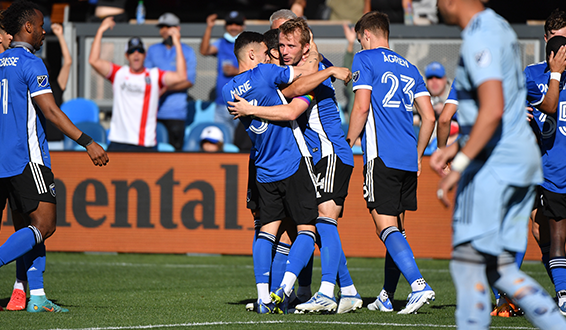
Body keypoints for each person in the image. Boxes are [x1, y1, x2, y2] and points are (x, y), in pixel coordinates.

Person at [431, 0, 566, 328]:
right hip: (537, 165)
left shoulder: (486, 33)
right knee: (531, 235)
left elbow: (493, 111)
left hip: (514, 164)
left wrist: (462, 159)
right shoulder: (507, 43)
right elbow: (504, 111)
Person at [230, 19, 362, 314]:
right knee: (287, 228)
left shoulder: (308, 77)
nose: (282, 51)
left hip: (322, 153)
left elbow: (290, 104)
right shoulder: (282, 74)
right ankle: (300, 293)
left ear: (305, 45)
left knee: (318, 222)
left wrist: (323, 66)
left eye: (289, 44)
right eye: (279, 46)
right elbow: (284, 90)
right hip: (279, 160)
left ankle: (322, 289)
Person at [0, 0, 108, 313]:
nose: (44, 30)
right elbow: (50, 110)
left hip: (3, 160)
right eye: (41, 24)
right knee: (44, 226)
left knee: (27, 231)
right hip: (27, 158)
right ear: (28, 27)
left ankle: (36, 297)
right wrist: (87, 141)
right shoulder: (31, 63)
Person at [345, 11, 436, 314]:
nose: (359, 45)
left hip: (380, 156)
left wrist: (348, 142)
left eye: (360, 40)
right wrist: (420, 154)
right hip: (408, 158)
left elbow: (360, 107)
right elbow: (430, 117)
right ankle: (386, 295)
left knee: (384, 226)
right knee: (396, 228)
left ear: (367, 35)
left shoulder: (365, 59)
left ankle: (418, 284)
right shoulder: (410, 67)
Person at [89, 17, 187, 152]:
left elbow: (181, 76)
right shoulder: (119, 73)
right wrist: (100, 31)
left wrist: (177, 43)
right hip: (119, 141)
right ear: (126, 55)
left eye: (140, 51)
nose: (136, 54)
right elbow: (93, 61)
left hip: (145, 143)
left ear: (145, 55)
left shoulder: (154, 75)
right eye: (132, 51)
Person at [523, 8, 566, 315]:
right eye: (554, 42)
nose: (560, 50)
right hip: (546, 168)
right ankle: (562, 290)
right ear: (545, 40)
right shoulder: (532, 75)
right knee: (543, 231)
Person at [145, 12, 197, 151]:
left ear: (177, 28)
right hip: (152, 110)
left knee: (175, 151)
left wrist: (166, 88)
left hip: (175, 112)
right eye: (162, 27)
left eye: (168, 26)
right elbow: (147, 76)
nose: (164, 30)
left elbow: (189, 81)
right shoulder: (153, 49)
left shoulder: (187, 51)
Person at [199, 11, 245, 140]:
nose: (234, 27)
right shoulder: (221, 43)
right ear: (225, 26)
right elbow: (204, 51)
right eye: (230, 24)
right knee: (223, 142)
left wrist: (236, 71)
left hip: (243, 103)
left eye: (237, 24)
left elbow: (257, 71)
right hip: (222, 104)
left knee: (242, 144)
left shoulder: (248, 44)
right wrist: (209, 27)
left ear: (243, 26)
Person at [43, 23, 73, 151]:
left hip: (55, 140)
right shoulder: (26, 88)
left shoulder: (56, 86)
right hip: (34, 141)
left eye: (45, 70)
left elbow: (68, 61)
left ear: (49, 72)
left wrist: (60, 35)